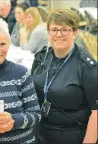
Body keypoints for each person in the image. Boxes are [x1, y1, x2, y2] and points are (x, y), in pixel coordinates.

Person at [31, 9, 97, 144]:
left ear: (75, 33)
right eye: (54, 29)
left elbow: (96, 113)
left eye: (64, 30)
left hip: (71, 135)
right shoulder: (41, 57)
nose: (58, 34)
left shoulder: (87, 66)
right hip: (40, 134)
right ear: (48, 32)